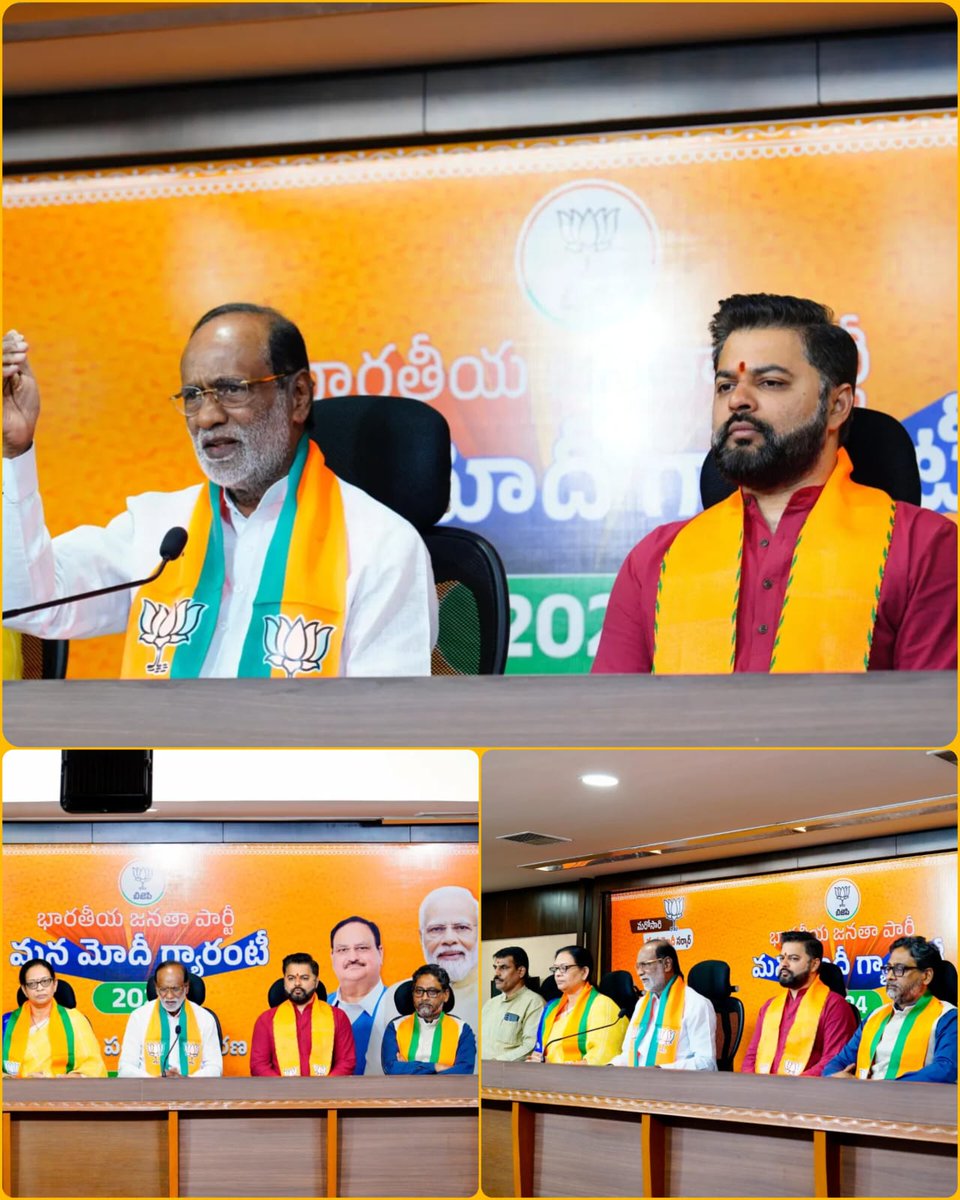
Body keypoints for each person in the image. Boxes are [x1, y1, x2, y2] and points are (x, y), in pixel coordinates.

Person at [2, 306, 436, 677]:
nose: (207, 416)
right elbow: (31, 605)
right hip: (161, 771)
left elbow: (386, 737)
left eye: (232, 389)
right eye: (192, 395)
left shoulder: (381, 546)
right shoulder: (159, 530)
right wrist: (15, 452)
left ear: (299, 396)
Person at [593, 293, 957, 674]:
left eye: (769, 382)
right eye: (725, 386)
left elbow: (934, 723)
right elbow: (610, 725)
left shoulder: (924, 548)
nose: (739, 400)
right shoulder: (655, 560)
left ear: (837, 406)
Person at [824, 936, 957, 1082]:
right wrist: (833, 1075)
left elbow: (946, 1070)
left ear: (926, 976)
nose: (889, 976)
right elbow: (838, 1063)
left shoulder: (947, 1017)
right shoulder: (875, 1016)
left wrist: (884, 1088)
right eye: (888, 968)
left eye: (899, 969)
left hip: (913, 1100)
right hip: (861, 1098)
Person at [741, 931, 859, 1076]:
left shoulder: (834, 1006)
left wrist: (788, 1087)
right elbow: (752, 1056)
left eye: (793, 958)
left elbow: (833, 1061)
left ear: (814, 964)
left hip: (809, 1092)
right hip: (764, 1090)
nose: (784, 964)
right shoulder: (769, 1007)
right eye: (781, 958)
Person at [611, 940, 716, 1070]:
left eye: (645, 965)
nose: (639, 972)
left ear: (666, 964)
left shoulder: (696, 1004)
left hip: (676, 1086)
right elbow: (629, 1055)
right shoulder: (642, 1004)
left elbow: (706, 1064)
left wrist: (661, 1071)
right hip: (639, 1084)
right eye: (638, 967)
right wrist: (611, 1066)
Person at [250, 952, 355, 1076]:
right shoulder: (266, 1020)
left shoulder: (337, 1017)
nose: (297, 983)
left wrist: (326, 1087)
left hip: (327, 1092)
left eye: (304, 978)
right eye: (291, 978)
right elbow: (258, 1065)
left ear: (316, 982)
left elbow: (347, 1062)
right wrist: (283, 1089)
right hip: (279, 1093)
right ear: (284, 982)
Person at [2, 958, 106, 1078]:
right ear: (24, 990)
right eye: (32, 984)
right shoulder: (6, 1023)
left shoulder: (75, 1020)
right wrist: (8, 1078)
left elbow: (95, 1068)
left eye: (45, 981)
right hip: (16, 1093)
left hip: (62, 1092)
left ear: (55, 985)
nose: (39, 988)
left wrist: (70, 1078)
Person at [117, 962, 223, 1077]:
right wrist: (154, 1081)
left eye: (175, 989)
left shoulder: (204, 1018)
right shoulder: (139, 1017)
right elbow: (125, 1068)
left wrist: (187, 1081)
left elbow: (215, 1068)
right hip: (149, 1091)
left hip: (194, 1091)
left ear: (186, 988)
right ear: (156, 989)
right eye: (163, 989)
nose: (169, 996)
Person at [327, 915, 400, 1076]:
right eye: (343, 950)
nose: (353, 958)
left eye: (362, 948)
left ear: (380, 953)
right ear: (332, 957)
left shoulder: (401, 1009)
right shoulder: (317, 1009)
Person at [528, 946, 626, 1065]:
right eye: (555, 969)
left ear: (584, 972)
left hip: (582, 1081)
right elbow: (541, 1051)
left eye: (564, 968)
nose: (557, 974)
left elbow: (601, 1059)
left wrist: (555, 1067)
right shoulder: (551, 1008)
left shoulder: (602, 1005)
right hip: (547, 1078)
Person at [381, 965, 476, 1074]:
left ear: (445, 995)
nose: (424, 997)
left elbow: (463, 1073)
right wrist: (435, 1067)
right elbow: (391, 1069)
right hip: (405, 1090)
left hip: (446, 1091)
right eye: (419, 991)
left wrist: (408, 1068)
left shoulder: (462, 1030)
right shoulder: (395, 1027)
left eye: (432, 992)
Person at [419, 886, 479, 1046]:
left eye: (462, 928)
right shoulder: (395, 997)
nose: (449, 939)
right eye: (436, 929)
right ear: (421, 938)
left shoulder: (488, 1000)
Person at [480, 946, 545, 1061]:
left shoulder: (535, 1003)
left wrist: (495, 1063)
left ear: (520, 971)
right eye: (495, 967)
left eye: (503, 967)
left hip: (509, 1074)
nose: (496, 973)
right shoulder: (490, 1004)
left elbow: (530, 1047)